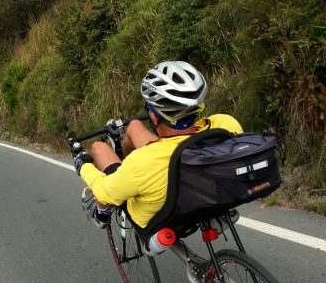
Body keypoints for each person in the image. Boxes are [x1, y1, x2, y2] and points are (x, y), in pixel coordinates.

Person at [74, 60, 243, 229]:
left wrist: (83, 165)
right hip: (207, 193)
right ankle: (124, 169)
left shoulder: (143, 162)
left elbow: (104, 191)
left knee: (98, 147)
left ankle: (102, 213)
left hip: (163, 214)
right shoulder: (226, 123)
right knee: (134, 125)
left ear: (154, 116)